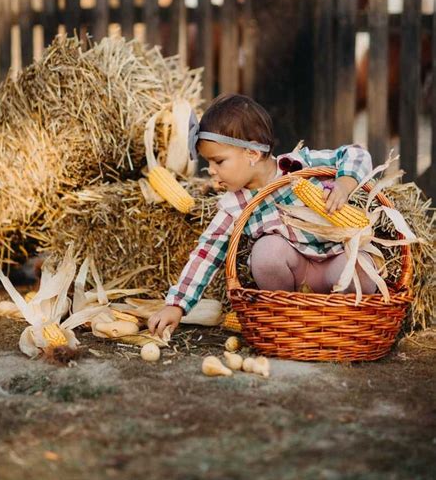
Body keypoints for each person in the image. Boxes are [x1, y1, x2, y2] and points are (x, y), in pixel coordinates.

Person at [148, 93, 376, 339]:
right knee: (266, 252)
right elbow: (207, 253)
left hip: (335, 260)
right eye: (208, 162)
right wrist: (177, 304)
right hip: (296, 277)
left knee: (360, 266)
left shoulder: (300, 166)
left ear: (252, 154)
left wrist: (344, 183)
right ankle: (290, 316)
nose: (211, 171)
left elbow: (357, 154)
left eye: (218, 161)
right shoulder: (234, 205)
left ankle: (339, 321)